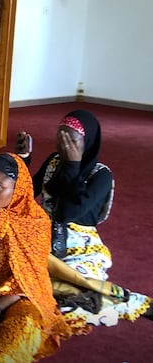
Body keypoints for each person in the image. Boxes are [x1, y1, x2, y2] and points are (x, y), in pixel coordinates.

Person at [18, 110, 152, 324]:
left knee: (71, 285)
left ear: (87, 141)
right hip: (41, 234)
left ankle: (130, 301)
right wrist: (24, 160)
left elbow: (67, 213)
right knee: (18, 271)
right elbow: (25, 193)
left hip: (79, 244)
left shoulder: (101, 175)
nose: (64, 145)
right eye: (60, 137)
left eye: (71, 140)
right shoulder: (54, 161)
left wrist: (72, 167)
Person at [0, 153, 80, 362]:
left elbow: (29, 280)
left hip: (19, 297)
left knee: (24, 325)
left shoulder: (35, 223)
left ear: (17, 189)